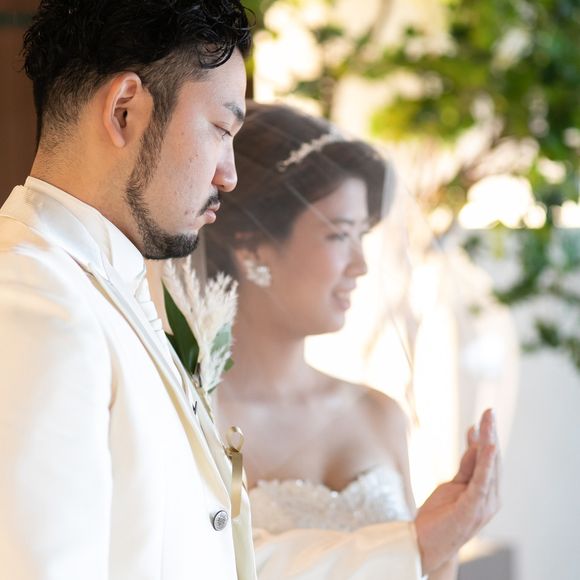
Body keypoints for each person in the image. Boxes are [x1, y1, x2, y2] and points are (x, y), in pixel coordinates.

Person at [0, 1, 254, 578]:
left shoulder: (98, 285)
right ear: (124, 110)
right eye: (221, 130)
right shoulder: (34, 299)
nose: (229, 174)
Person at [201, 101, 500, 578]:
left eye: (363, 235)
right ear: (251, 245)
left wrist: (448, 537)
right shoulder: (199, 420)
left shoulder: (378, 413)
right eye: (339, 235)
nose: (360, 265)